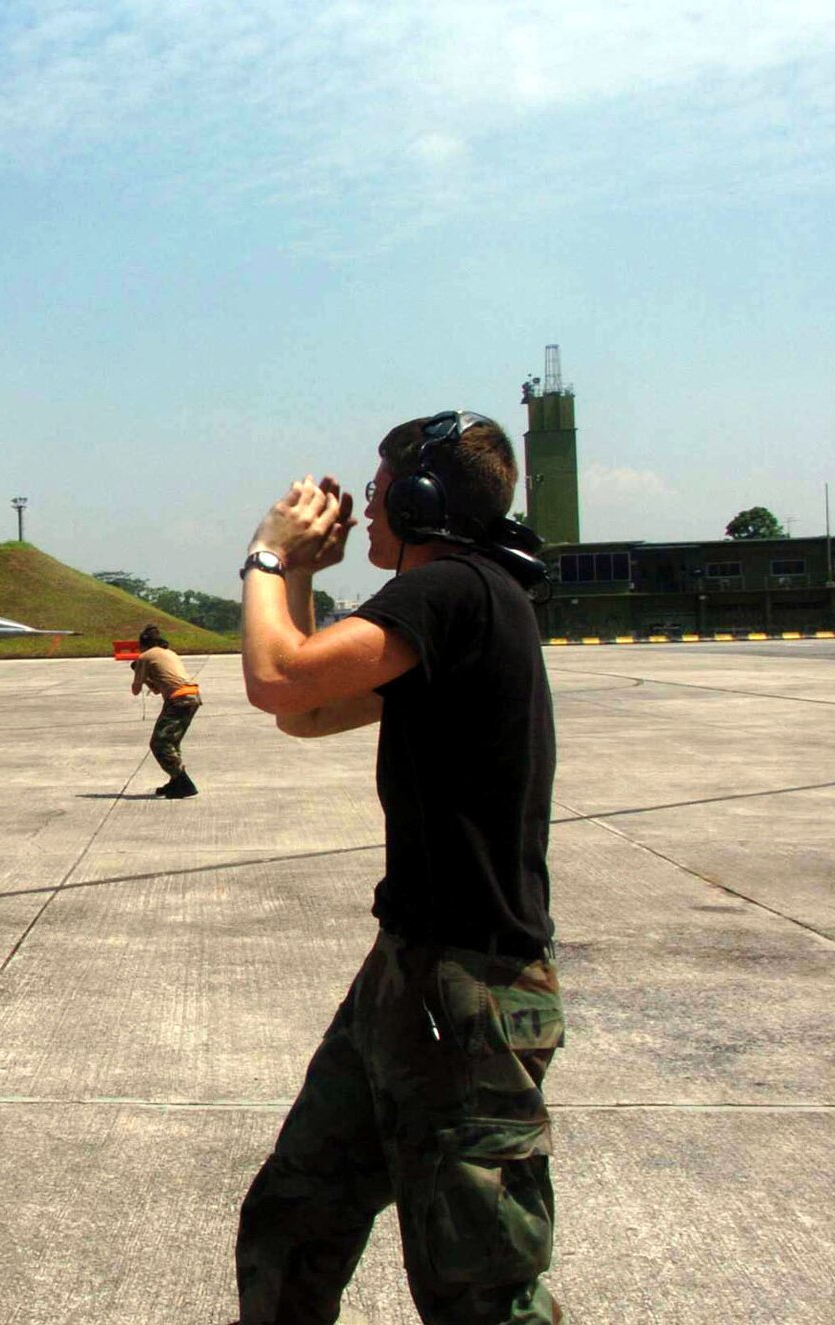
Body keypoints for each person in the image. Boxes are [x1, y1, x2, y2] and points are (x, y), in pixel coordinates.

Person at [231, 412, 564, 1323]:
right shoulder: (455, 607)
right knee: (297, 1213)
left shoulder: (454, 591)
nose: (365, 512)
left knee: (481, 1287)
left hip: (471, 993)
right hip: (410, 972)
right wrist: (302, 574)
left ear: (421, 501)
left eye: (378, 494)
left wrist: (266, 554)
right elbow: (302, 709)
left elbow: (273, 678)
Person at [128, 623, 202, 798]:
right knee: (172, 742)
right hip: (191, 696)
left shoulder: (145, 657)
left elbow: (135, 690)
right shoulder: (170, 653)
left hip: (178, 700)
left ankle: (183, 782)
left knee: (159, 743)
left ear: (142, 644)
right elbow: (156, 689)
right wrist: (148, 677)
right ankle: (175, 781)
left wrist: (139, 671)